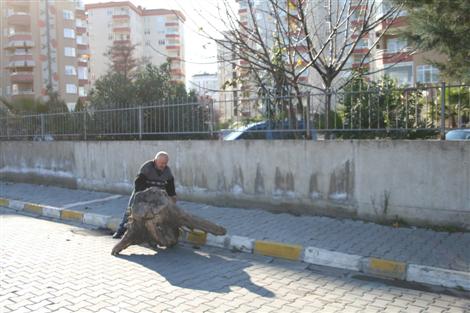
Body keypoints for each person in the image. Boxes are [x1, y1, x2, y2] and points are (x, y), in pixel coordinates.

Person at [112, 151, 177, 239]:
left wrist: (172, 198)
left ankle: (157, 235)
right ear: (155, 160)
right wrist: (144, 195)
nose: (163, 165)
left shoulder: (167, 171)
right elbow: (138, 183)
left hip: (157, 196)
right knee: (130, 211)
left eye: (165, 163)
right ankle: (121, 231)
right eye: (161, 163)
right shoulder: (147, 167)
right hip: (141, 193)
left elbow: (171, 188)